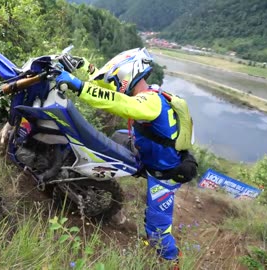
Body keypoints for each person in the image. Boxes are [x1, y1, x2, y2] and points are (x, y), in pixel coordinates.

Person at [55, 48, 198, 265]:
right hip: (148, 151)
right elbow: (109, 85)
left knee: (157, 231)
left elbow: (118, 102)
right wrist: (85, 66)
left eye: (119, 77)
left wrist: (79, 86)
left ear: (129, 75)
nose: (116, 82)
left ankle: (172, 262)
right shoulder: (144, 93)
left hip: (164, 174)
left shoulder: (150, 102)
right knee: (115, 139)